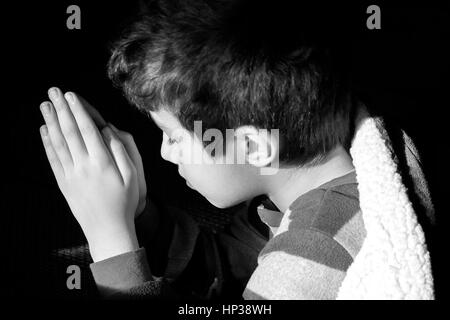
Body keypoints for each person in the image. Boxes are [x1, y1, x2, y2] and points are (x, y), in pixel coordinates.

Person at [38, 0, 435, 299]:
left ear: (252, 146)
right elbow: (230, 263)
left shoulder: (312, 254)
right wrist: (141, 216)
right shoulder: (309, 180)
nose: (164, 154)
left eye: (174, 137)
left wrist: (110, 239)